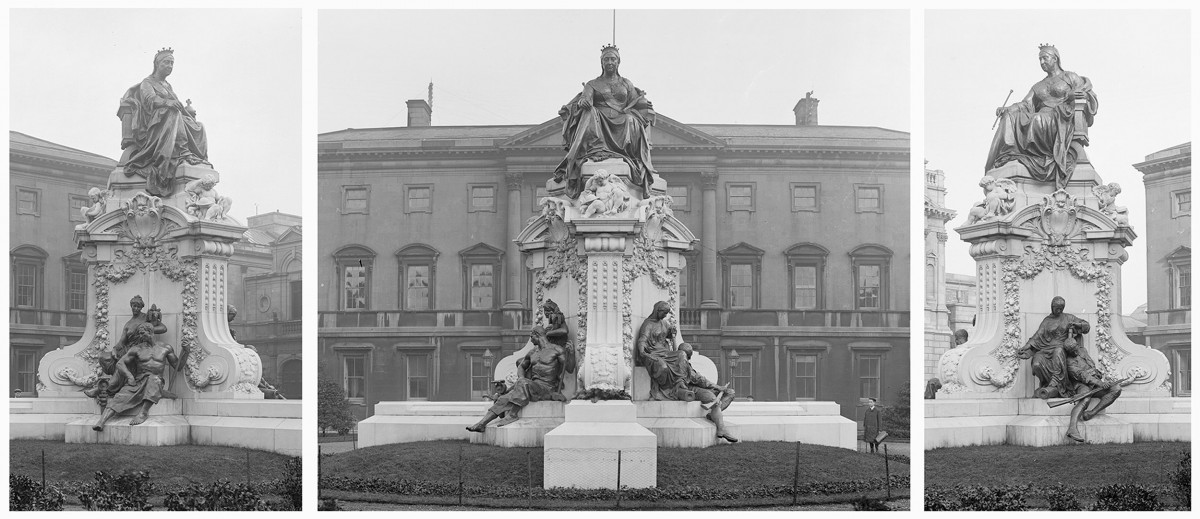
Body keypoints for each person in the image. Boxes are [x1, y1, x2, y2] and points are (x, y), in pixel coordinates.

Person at [986, 44, 1097, 189]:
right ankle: (1009, 155)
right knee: (1009, 117)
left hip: (1061, 117)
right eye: (1040, 60)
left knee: (1036, 119)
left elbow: (1087, 94)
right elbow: (1025, 104)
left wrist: (1078, 96)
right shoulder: (1038, 86)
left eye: (1045, 58)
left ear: (1055, 58)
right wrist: (1007, 109)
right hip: (1041, 116)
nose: (1042, 62)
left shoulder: (1070, 77)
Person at [555, 45, 657, 199]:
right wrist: (584, 102)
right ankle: (597, 148)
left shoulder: (626, 84)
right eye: (606, 59)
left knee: (631, 119)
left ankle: (622, 152)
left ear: (618, 62)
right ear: (601, 63)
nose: (610, 62)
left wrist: (645, 104)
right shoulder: (592, 84)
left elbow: (636, 102)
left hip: (622, 118)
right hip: (599, 118)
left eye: (613, 59)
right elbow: (585, 98)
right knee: (590, 112)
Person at [118, 48, 211, 197]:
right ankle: (183, 151)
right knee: (172, 113)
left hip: (171, 118)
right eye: (166, 62)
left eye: (172, 63)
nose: (169, 66)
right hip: (154, 122)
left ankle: (192, 156)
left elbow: (177, 104)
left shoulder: (168, 85)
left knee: (199, 126)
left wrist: (185, 111)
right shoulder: (147, 82)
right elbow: (150, 100)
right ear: (157, 64)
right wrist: (168, 103)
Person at [466, 326, 576, 432]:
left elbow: (570, 368)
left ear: (536, 335)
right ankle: (481, 424)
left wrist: (571, 354)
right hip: (532, 386)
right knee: (502, 399)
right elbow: (521, 366)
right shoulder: (533, 352)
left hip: (548, 388)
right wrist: (521, 378)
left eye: (531, 337)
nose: (531, 340)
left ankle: (513, 415)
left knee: (523, 383)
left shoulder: (556, 350)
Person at [93, 322, 189, 431]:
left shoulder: (165, 348)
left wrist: (186, 351)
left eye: (142, 333)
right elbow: (120, 363)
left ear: (150, 332)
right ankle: (101, 421)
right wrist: (129, 377)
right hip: (138, 381)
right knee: (120, 396)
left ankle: (143, 413)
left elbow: (178, 366)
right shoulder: (137, 349)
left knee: (154, 379)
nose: (140, 336)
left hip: (155, 381)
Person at [1018, 296, 1090, 399]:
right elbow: (1037, 336)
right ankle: (1046, 384)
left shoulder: (1068, 318)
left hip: (1061, 347)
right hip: (1046, 348)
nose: (1059, 310)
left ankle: (1056, 382)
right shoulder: (1047, 320)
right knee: (1037, 363)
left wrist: (1076, 325)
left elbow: (1086, 326)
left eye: (1061, 308)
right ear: (1052, 307)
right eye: (1057, 308)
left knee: (1058, 351)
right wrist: (1026, 347)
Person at [1062, 338, 1122, 443]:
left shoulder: (1082, 350)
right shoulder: (1069, 362)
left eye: (1076, 347)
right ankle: (1072, 429)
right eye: (1072, 350)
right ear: (1068, 351)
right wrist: (1100, 383)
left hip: (1094, 383)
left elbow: (1091, 366)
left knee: (1116, 389)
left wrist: (1097, 374)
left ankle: (1092, 413)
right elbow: (1082, 376)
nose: (1076, 351)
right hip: (1081, 385)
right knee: (1085, 399)